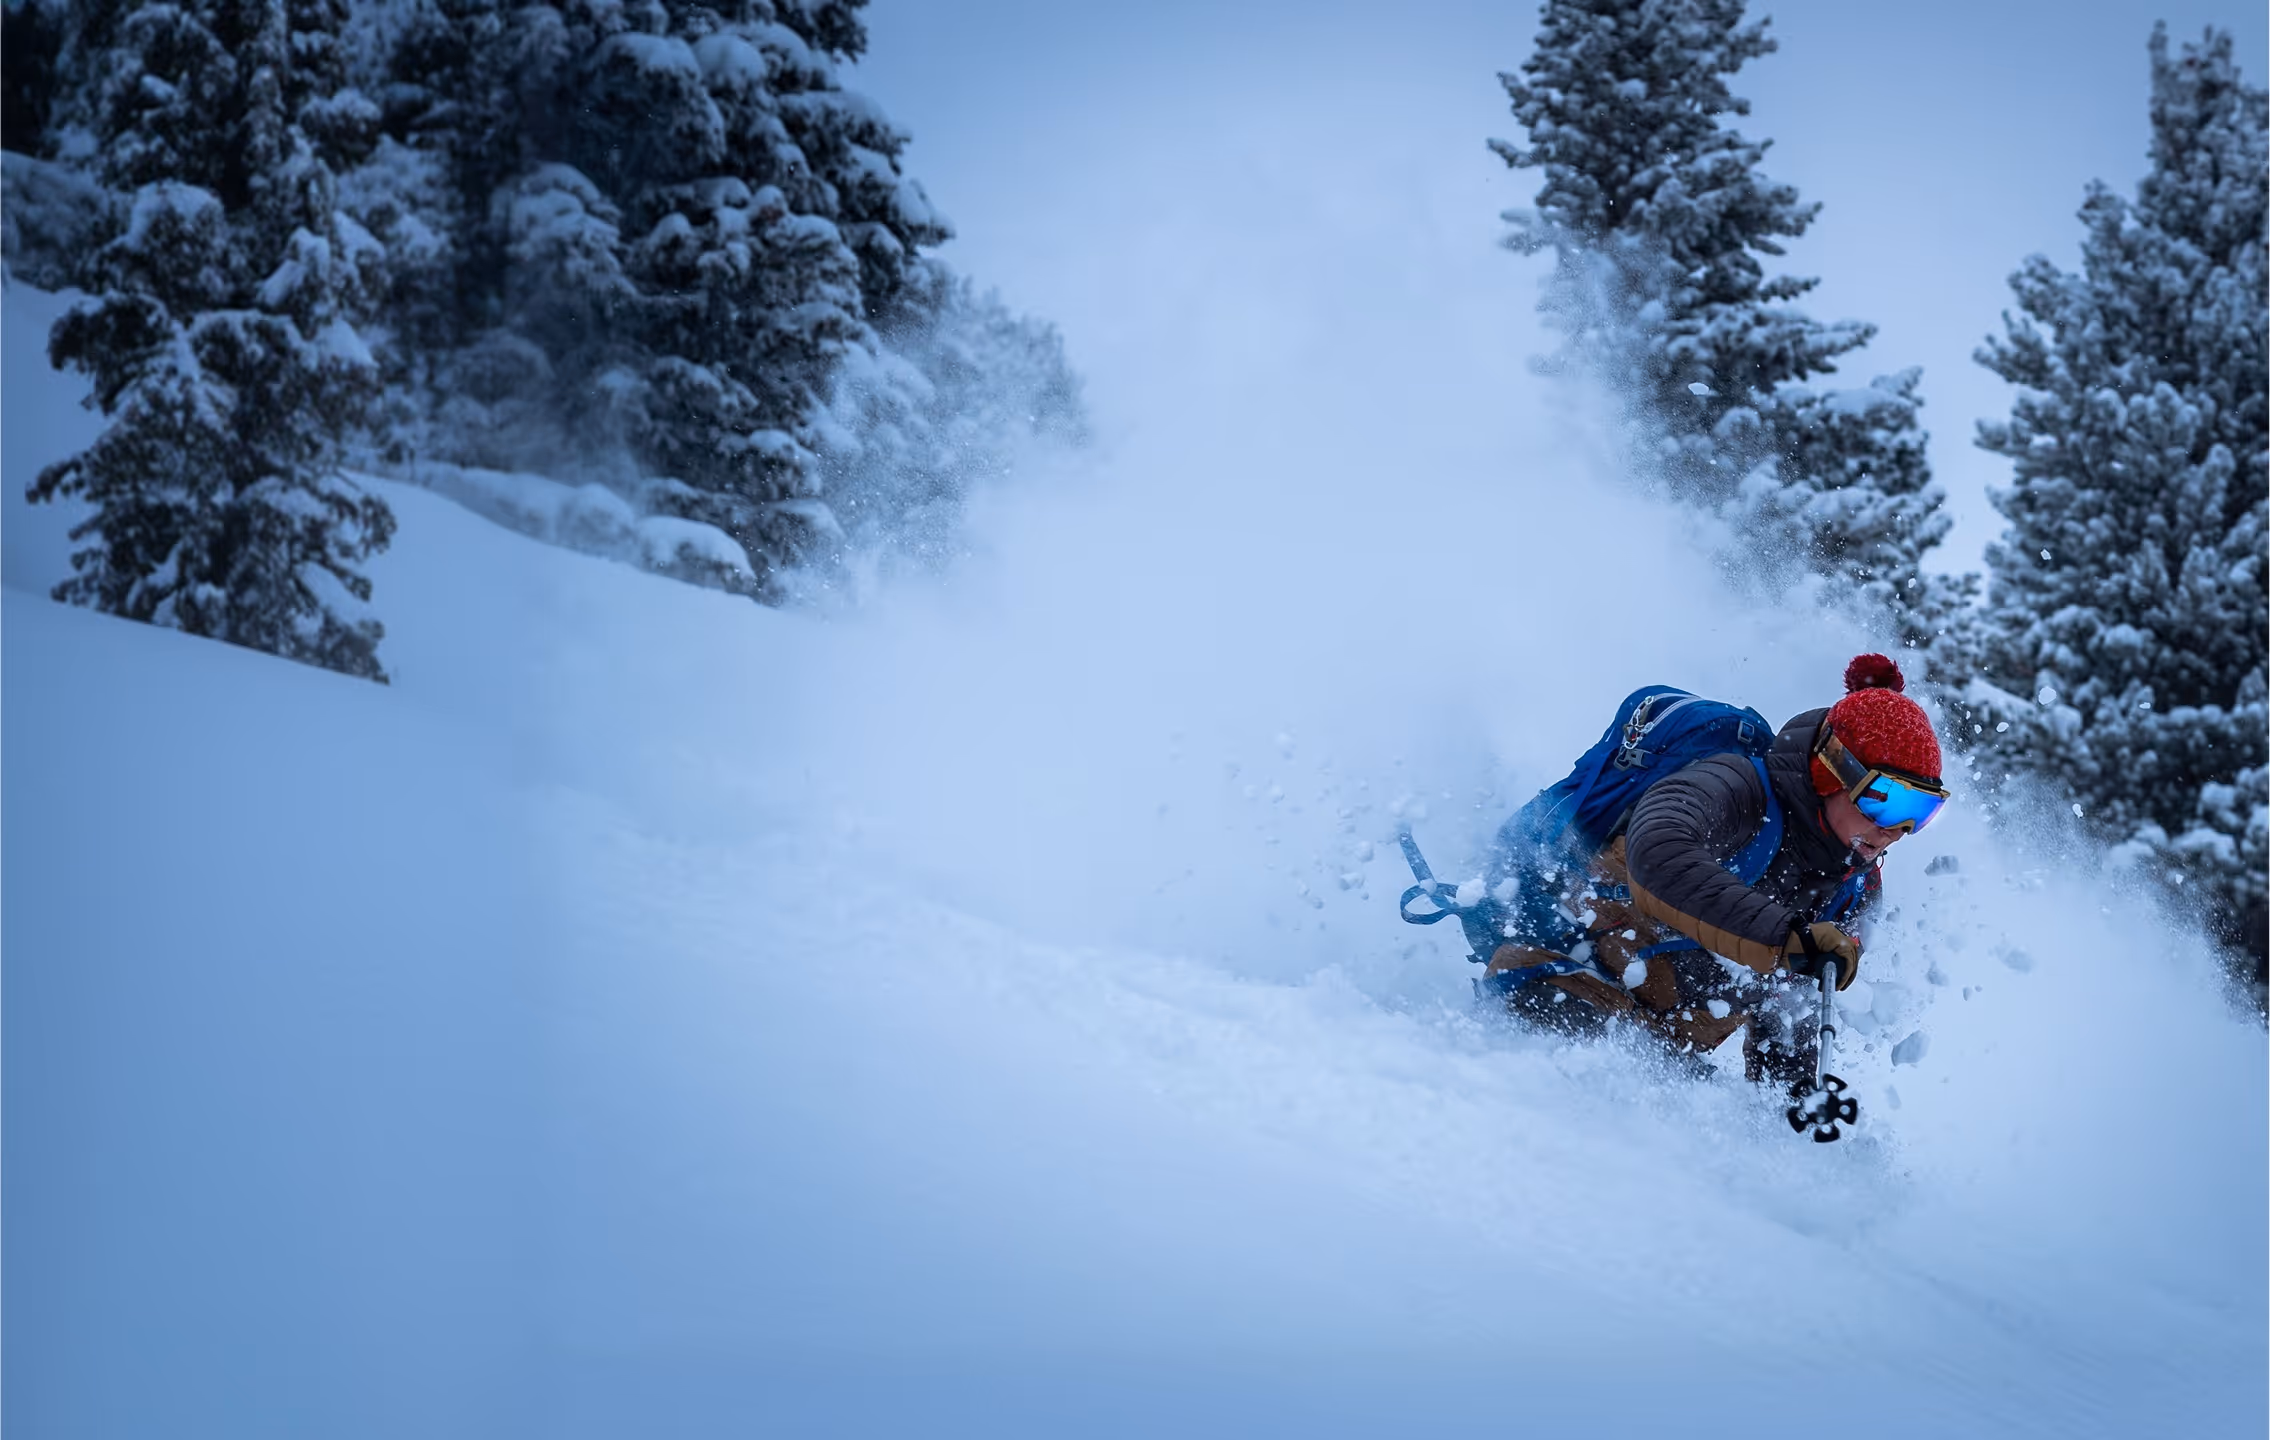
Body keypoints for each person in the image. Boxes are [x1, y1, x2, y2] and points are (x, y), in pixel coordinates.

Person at [1482, 654, 1950, 1087]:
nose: (1898, 829)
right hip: (1553, 991)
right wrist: (1785, 938)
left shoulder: (1852, 890)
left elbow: (1790, 1012)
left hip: (1653, 1061)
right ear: (1833, 771)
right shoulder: (1736, 788)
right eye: (1887, 801)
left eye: (1923, 812)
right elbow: (1659, 852)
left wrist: (1798, 1110)